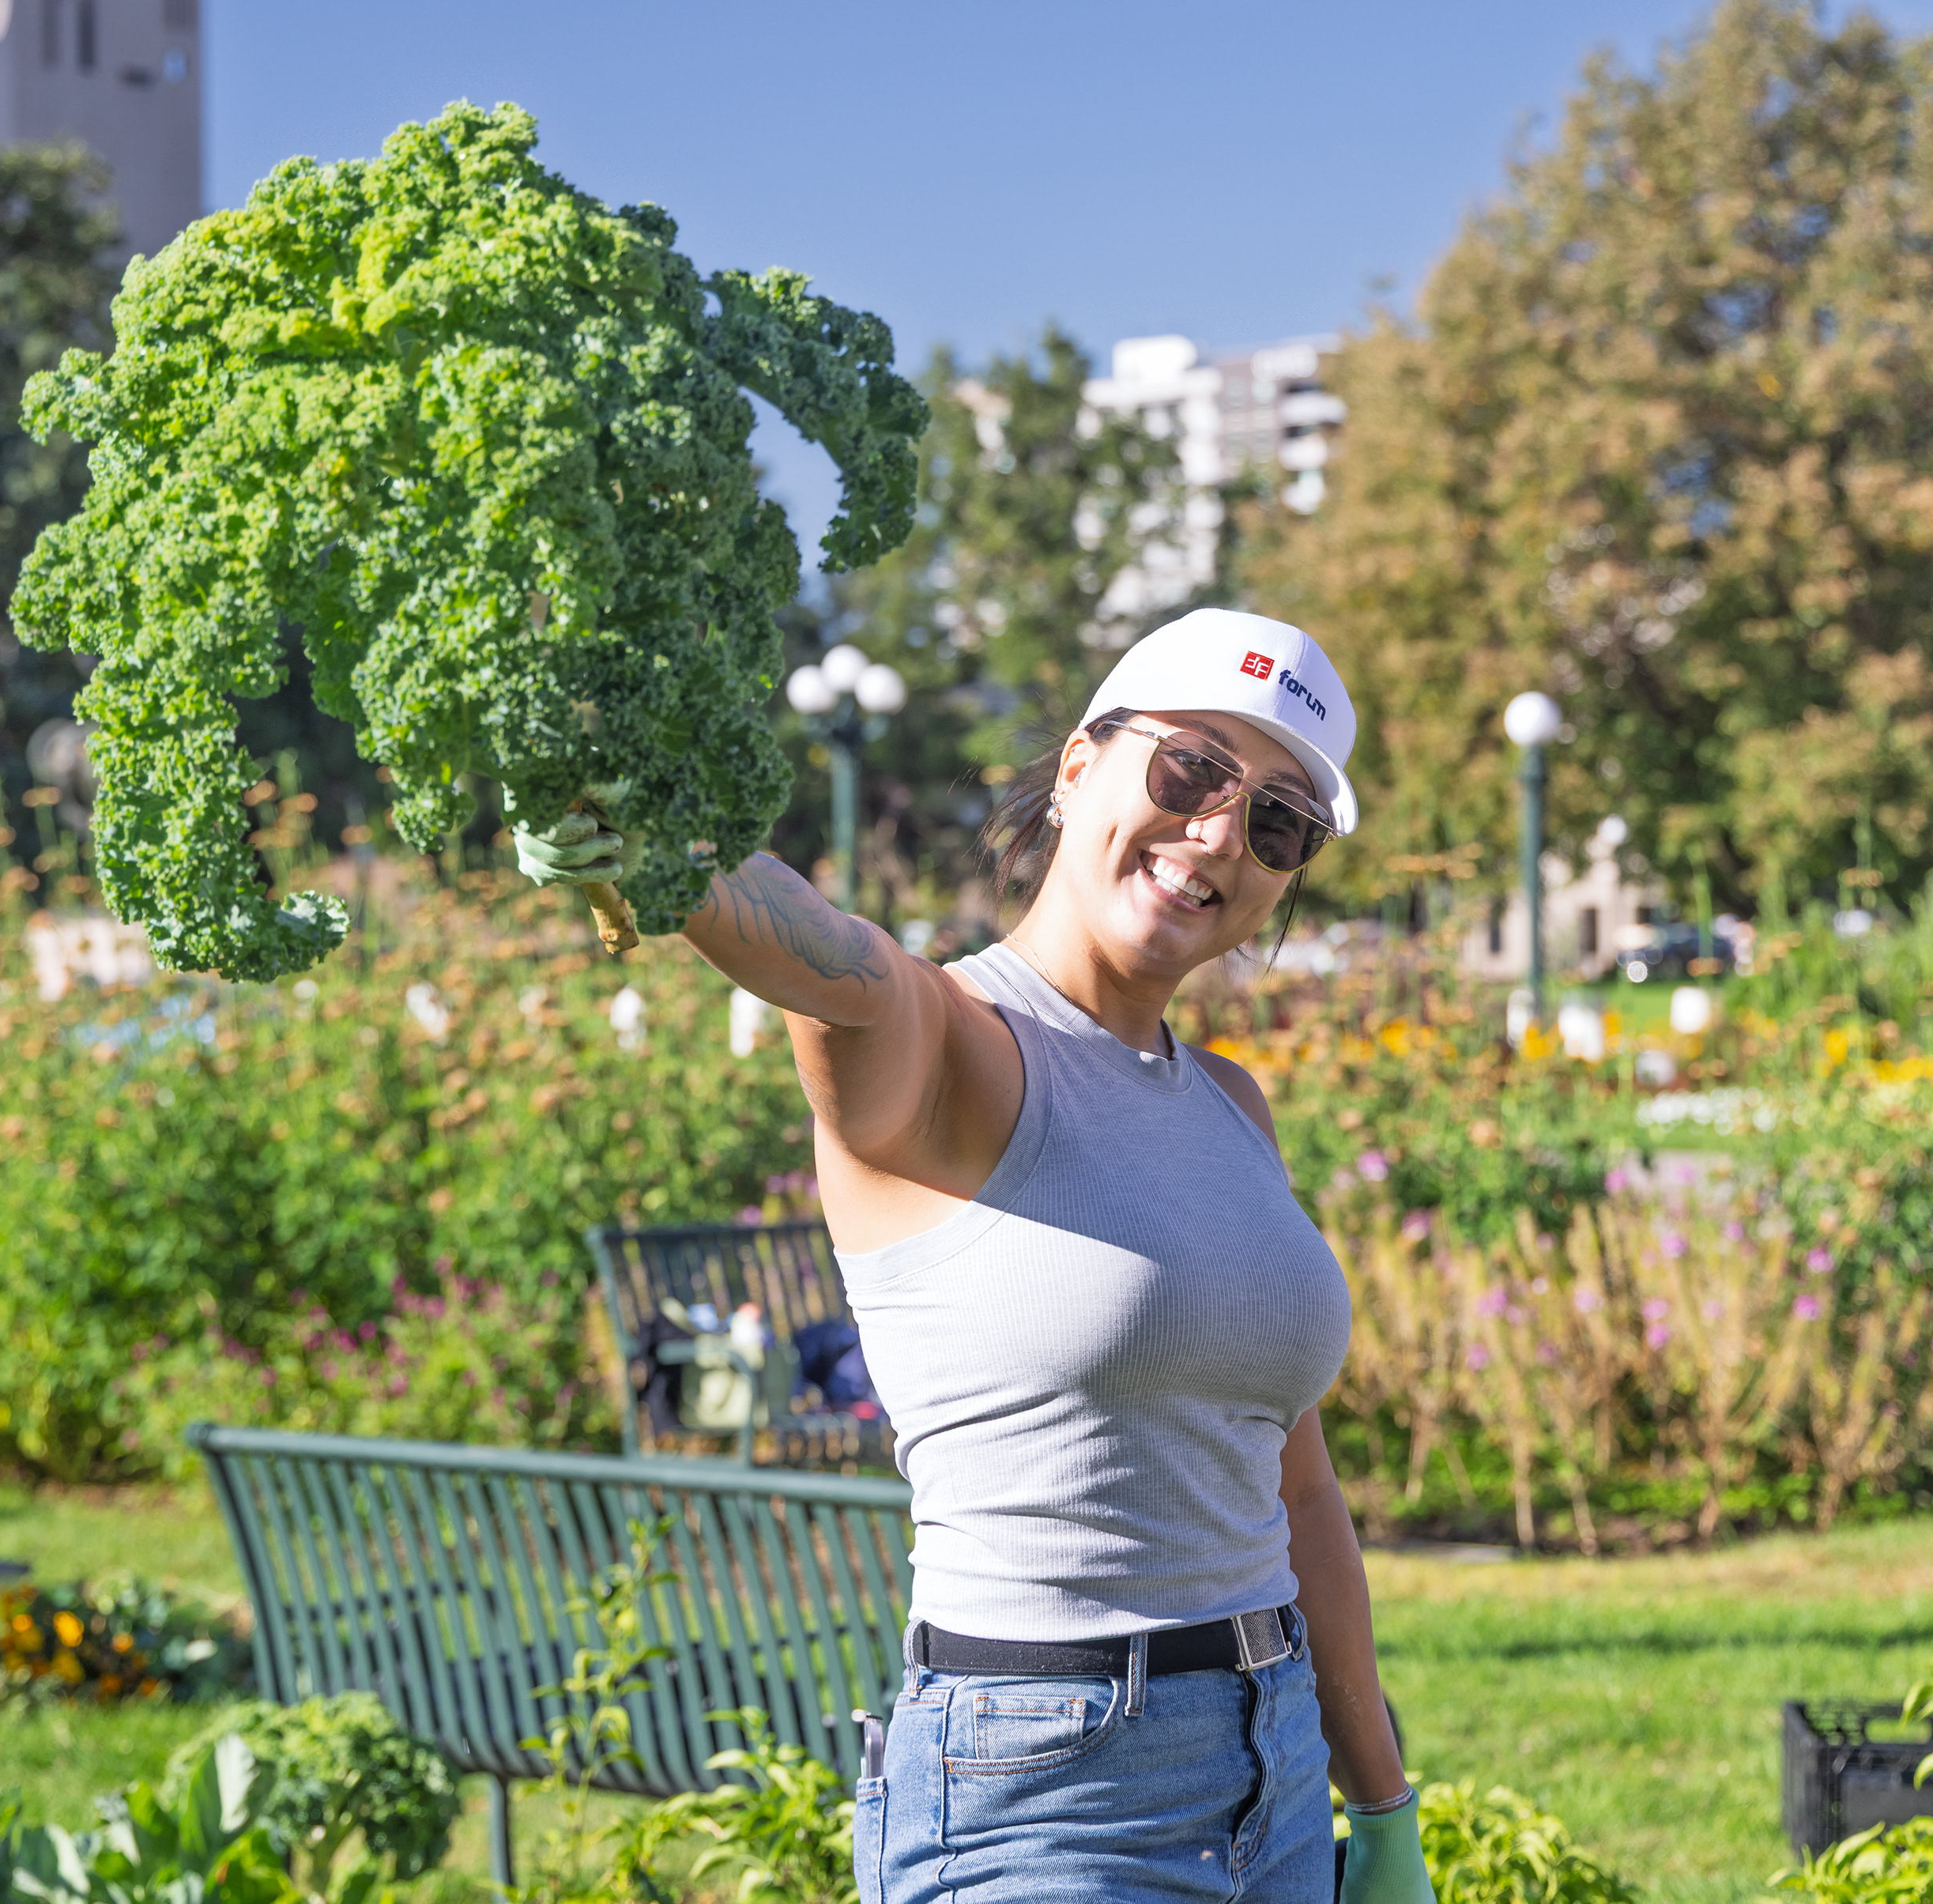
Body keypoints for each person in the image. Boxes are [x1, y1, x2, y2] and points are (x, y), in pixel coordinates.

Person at [515, 608, 1430, 1904]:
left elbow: (1300, 1492)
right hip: (1045, 1794)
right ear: (1076, 767)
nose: (1223, 831)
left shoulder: (1234, 1107)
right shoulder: (946, 1040)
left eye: (1279, 820)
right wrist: (669, 858)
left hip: (1274, 1776)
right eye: (1192, 770)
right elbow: (831, 959)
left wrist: (1380, 1802)